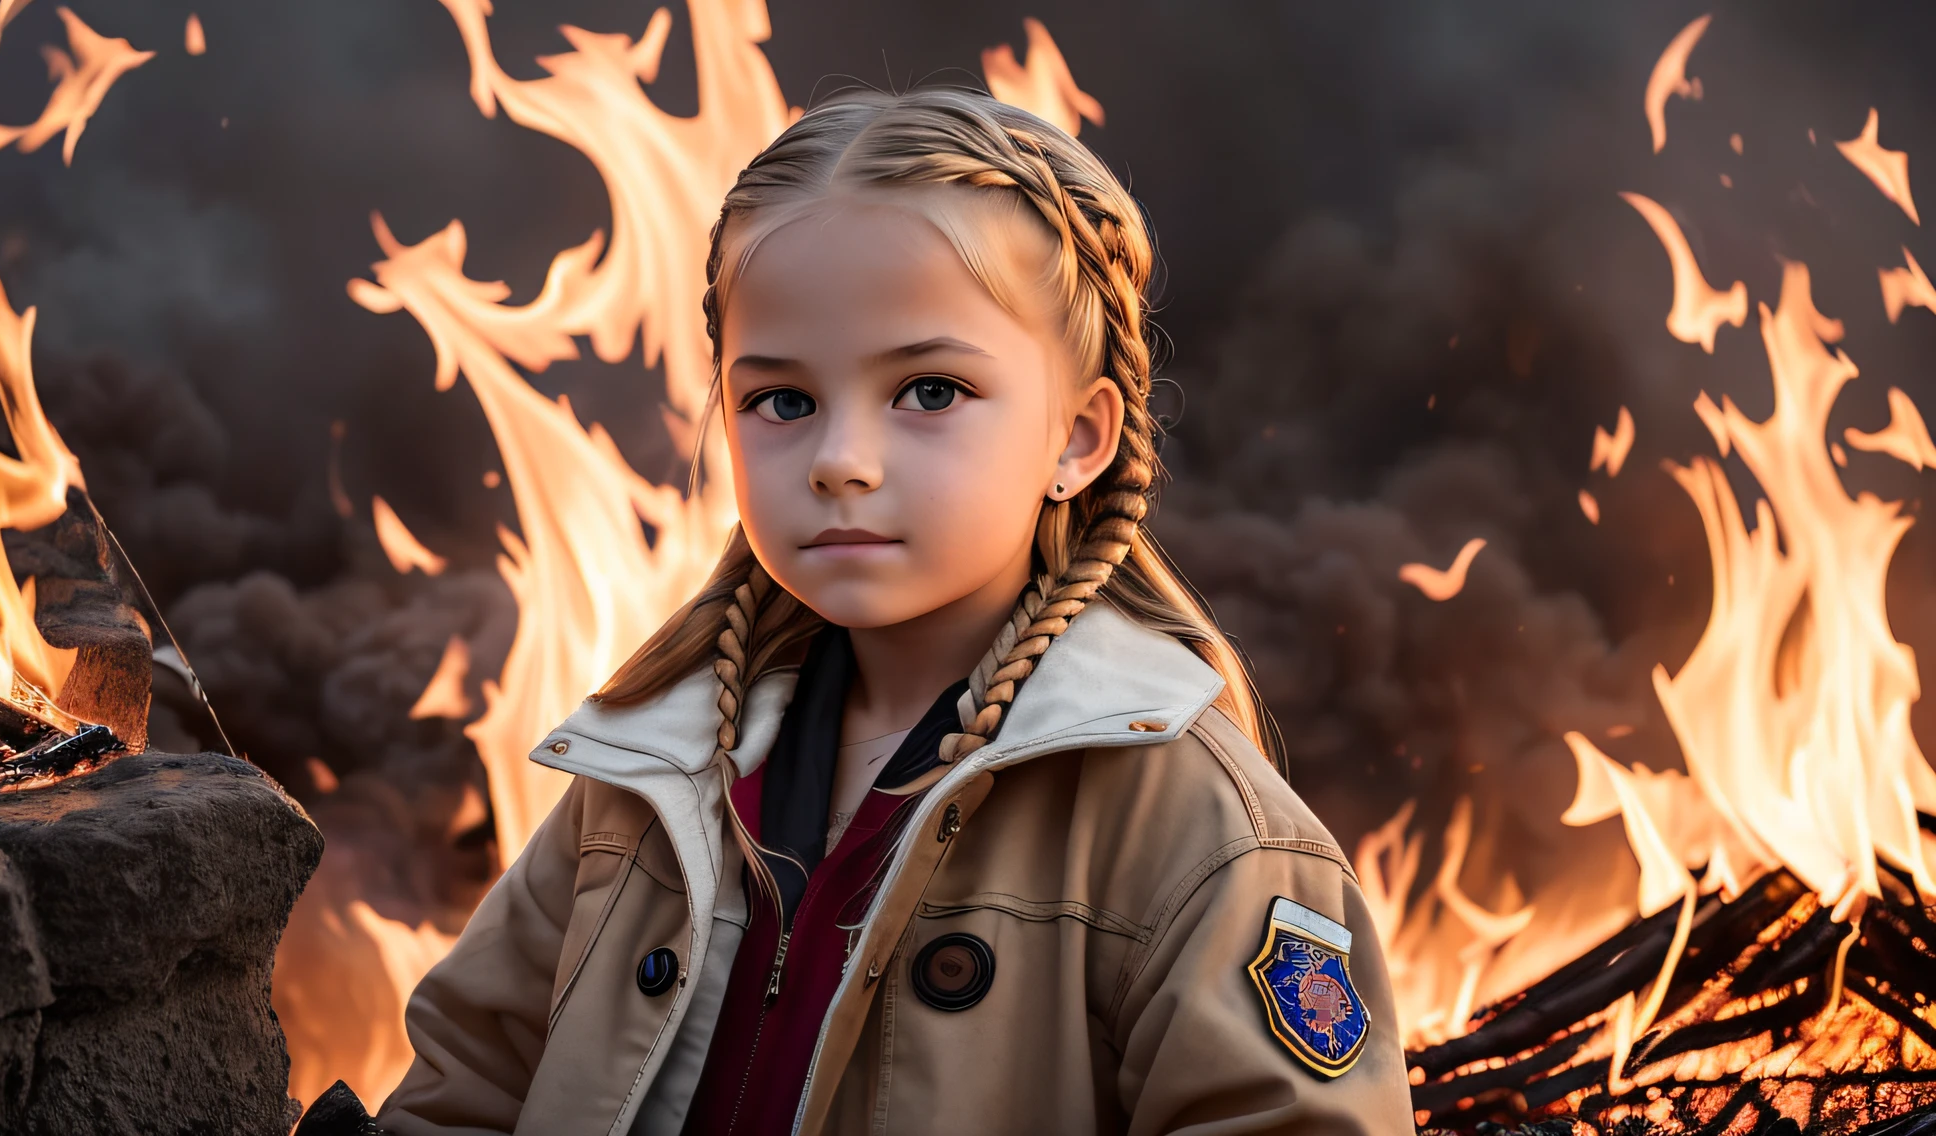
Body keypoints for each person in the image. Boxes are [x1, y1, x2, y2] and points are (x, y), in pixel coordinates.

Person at [377, 88, 1414, 1136]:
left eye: (927, 390)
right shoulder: (645, 779)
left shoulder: (1194, 828)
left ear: (1079, 436)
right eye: (781, 401)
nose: (839, 462)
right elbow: (461, 1090)